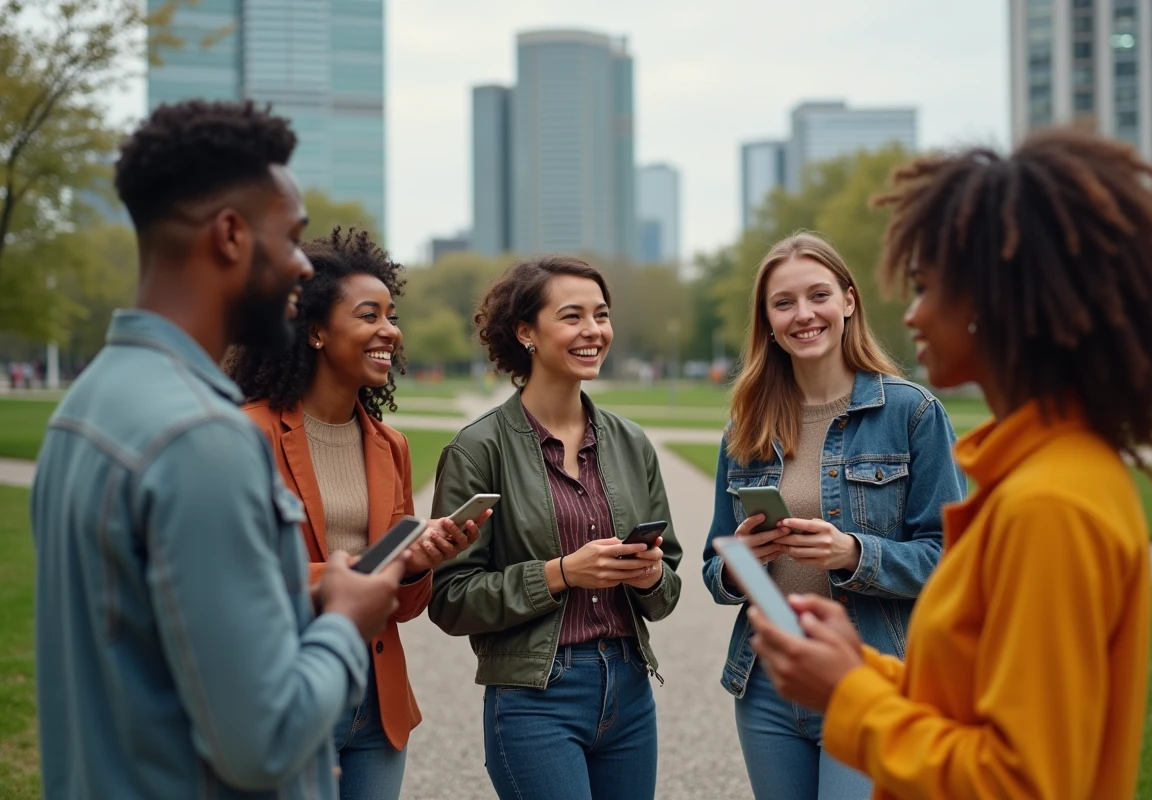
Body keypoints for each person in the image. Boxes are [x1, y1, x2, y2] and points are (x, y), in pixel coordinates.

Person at [748, 127, 1152, 799]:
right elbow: (968, 700)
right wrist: (861, 671)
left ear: (995, 302)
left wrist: (849, 696)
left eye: (926, 288)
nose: (914, 314)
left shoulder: (1051, 505)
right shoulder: (1036, 476)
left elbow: (1022, 781)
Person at [31, 100, 405, 800]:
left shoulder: (83, 408)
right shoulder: (203, 439)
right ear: (230, 235)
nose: (302, 268)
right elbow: (264, 742)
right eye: (291, 238)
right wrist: (345, 622)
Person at [700, 232, 965, 800]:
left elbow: (952, 561)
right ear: (768, 321)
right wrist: (741, 564)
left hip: (868, 676)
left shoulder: (912, 413)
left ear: (848, 301)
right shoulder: (746, 427)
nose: (803, 314)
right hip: (768, 683)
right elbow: (714, 570)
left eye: (818, 295)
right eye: (784, 302)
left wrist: (853, 553)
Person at [224, 226, 485, 798]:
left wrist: (417, 564)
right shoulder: (245, 436)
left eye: (392, 316)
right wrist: (356, 572)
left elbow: (404, 606)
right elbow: (233, 580)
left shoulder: (390, 446)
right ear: (315, 331)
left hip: (377, 705)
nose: (390, 330)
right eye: (369, 316)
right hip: (288, 693)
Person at [427, 256, 683, 800]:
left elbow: (668, 589)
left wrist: (649, 577)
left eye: (601, 315)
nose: (593, 330)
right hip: (534, 700)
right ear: (527, 333)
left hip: (630, 690)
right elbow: (450, 599)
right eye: (572, 316)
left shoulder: (632, 443)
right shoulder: (477, 449)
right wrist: (562, 573)